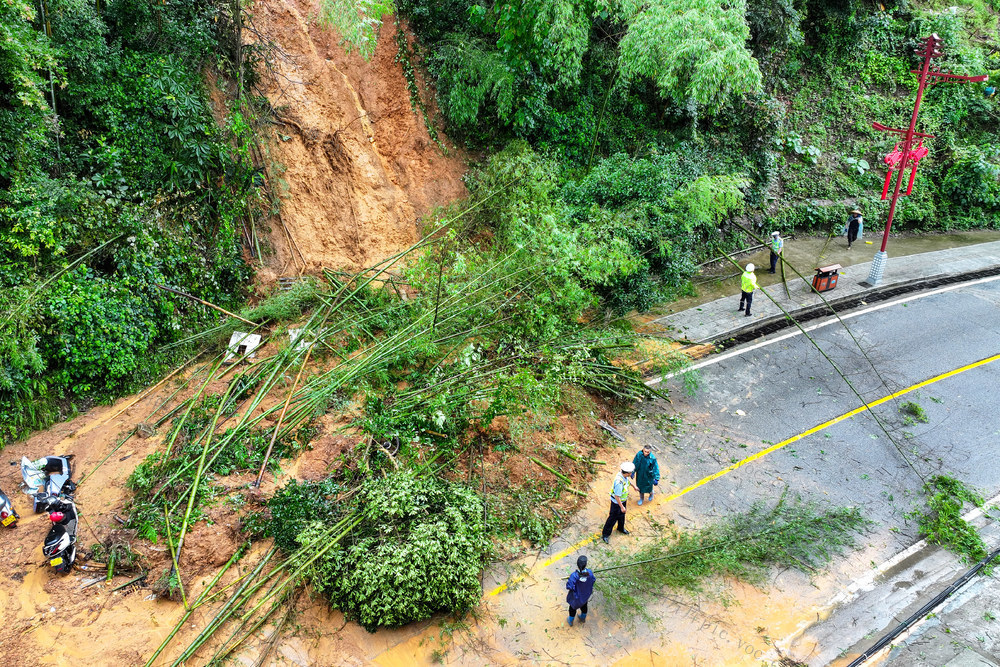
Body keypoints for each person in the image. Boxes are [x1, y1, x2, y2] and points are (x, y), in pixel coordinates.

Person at [601, 461, 637, 544]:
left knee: (621, 516)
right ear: (627, 473)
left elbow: (627, 481)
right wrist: (622, 507)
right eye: (631, 472)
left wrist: (634, 486)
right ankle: (605, 534)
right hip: (617, 503)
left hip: (623, 501)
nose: (631, 473)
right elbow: (617, 496)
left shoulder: (623, 475)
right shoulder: (619, 483)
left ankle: (620, 528)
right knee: (612, 518)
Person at [566, 555, 595, 626]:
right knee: (584, 605)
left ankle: (570, 620)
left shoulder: (574, 576)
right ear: (585, 564)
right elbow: (593, 580)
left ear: (577, 564)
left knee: (572, 608)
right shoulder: (589, 573)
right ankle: (583, 617)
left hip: (576, 597)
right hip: (585, 595)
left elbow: (569, 586)